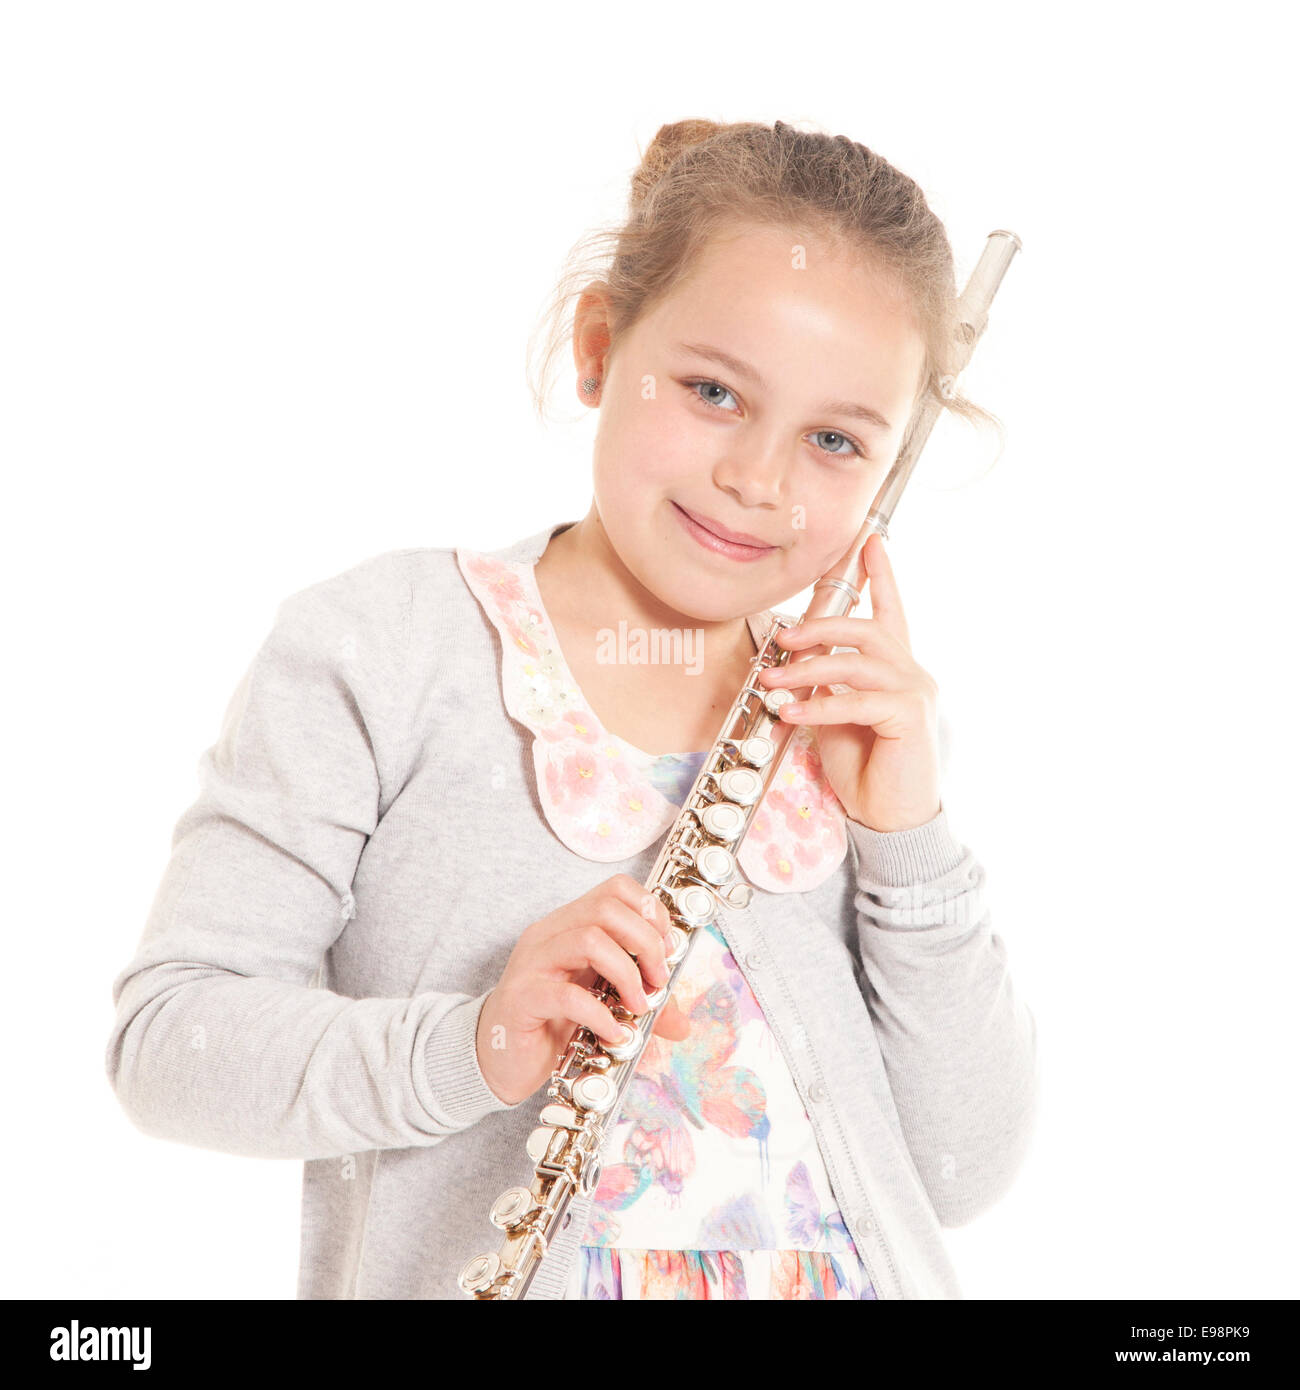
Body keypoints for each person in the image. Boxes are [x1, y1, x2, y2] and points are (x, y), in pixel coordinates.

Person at [105, 117, 1038, 1301]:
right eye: (711, 391)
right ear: (600, 347)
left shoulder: (854, 720)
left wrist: (912, 841)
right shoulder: (385, 648)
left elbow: (961, 1166)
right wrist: (471, 1045)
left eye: (836, 441)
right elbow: (169, 1047)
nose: (758, 479)